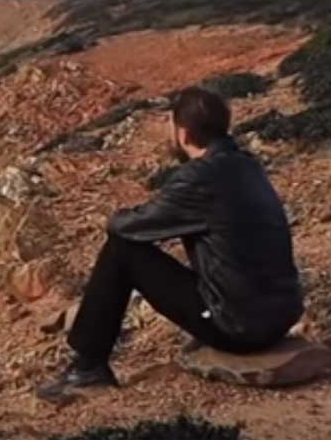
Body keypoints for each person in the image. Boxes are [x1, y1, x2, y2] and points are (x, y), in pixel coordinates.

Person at [38, 86, 304, 402]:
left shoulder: (199, 177)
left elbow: (132, 226)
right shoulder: (248, 165)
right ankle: (88, 366)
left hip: (238, 326)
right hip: (281, 315)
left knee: (122, 250)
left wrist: (113, 216)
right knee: (130, 248)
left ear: (183, 134)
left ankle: (88, 367)